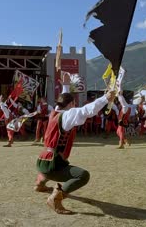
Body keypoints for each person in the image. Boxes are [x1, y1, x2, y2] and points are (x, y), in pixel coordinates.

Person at [35, 73, 115, 214]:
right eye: (73, 104)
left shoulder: (55, 112)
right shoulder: (67, 115)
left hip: (43, 161)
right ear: (71, 105)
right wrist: (105, 98)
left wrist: (65, 86)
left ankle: (39, 184)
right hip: (53, 164)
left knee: (60, 166)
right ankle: (55, 199)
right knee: (83, 175)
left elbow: (63, 101)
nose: (75, 106)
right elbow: (86, 111)